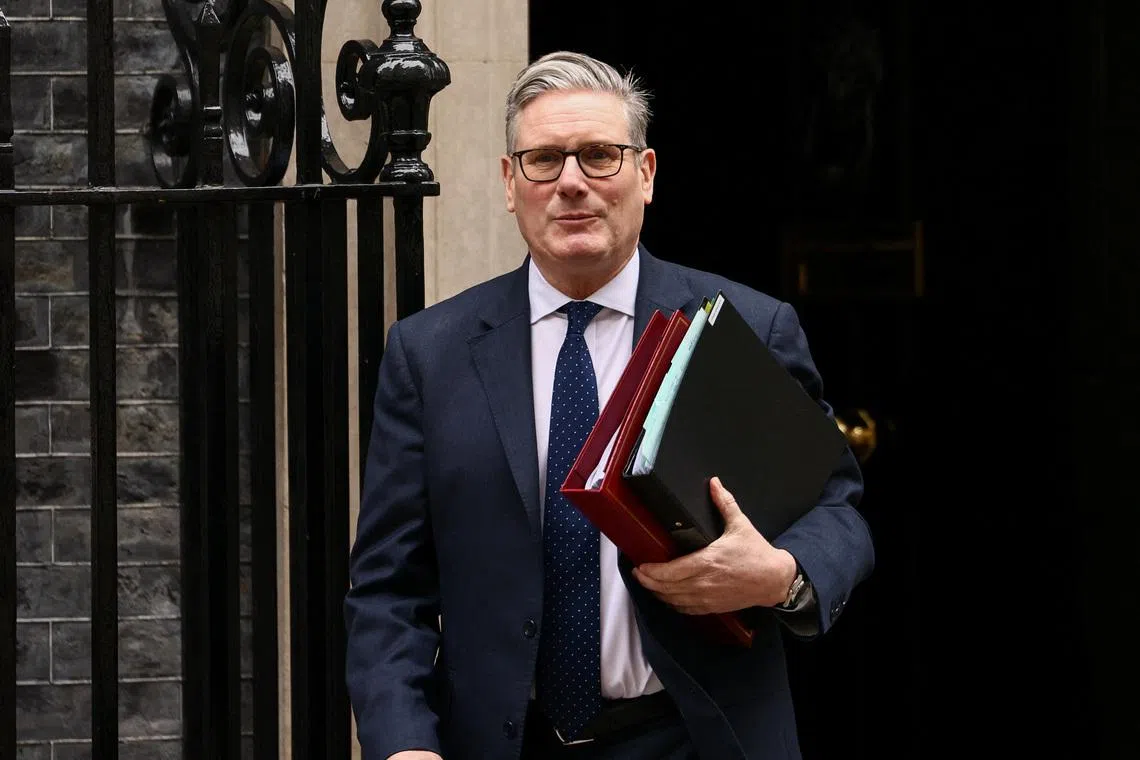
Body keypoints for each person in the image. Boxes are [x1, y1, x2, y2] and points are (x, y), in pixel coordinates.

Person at [345, 50, 875, 760]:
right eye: (544, 160)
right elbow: (386, 591)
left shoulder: (744, 325)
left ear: (646, 174)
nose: (571, 183)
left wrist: (781, 574)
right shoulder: (428, 355)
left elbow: (836, 507)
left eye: (599, 156)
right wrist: (404, 745)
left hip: (695, 738)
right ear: (510, 182)